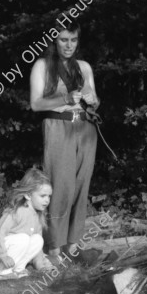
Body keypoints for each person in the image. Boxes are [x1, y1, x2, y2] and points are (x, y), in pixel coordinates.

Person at [29, 17, 99, 260]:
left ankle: (73, 243)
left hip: (86, 129)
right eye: (63, 39)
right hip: (58, 126)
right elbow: (36, 104)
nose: (68, 45)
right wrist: (64, 100)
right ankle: (54, 245)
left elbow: (95, 100)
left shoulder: (85, 67)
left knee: (81, 185)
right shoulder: (42, 66)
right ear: (54, 40)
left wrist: (92, 100)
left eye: (73, 40)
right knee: (60, 186)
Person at [0, 168, 54, 276]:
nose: (47, 200)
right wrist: (3, 256)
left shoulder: (38, 216)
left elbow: (37, 247)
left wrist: (41, 264)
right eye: (43, 196)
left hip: (12, 251)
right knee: (23, 238)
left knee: (38, 240)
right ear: (28, 195)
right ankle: (4, 272)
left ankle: (18, 269)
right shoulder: (17, 211)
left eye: (49, 196)